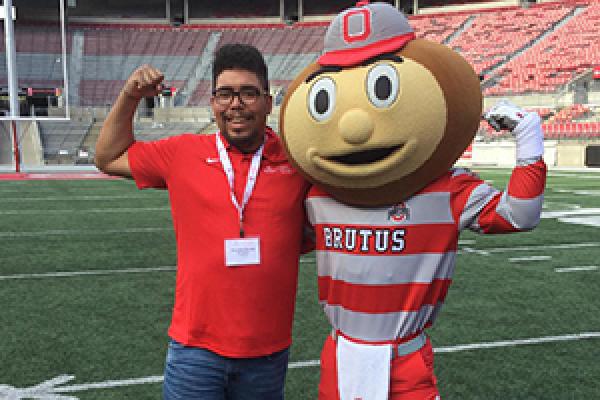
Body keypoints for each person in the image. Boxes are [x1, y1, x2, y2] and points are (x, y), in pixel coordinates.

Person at [278, 2, 547, 399]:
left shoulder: (448, 190)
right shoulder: (319, 195)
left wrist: (529, 146)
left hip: (405, 359)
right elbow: (279, 241)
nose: (354, 127)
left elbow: (519, 216)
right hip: (340, 351)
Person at [94, 43, 310, 400]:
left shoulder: (298, 161)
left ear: (269, 102)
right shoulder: (182, 153)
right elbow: (108, 157)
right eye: (225, 94)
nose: (235, 104)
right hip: (196, 348)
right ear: (213, 103)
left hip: (267, 353)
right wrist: (130, 96)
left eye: (248, 94)